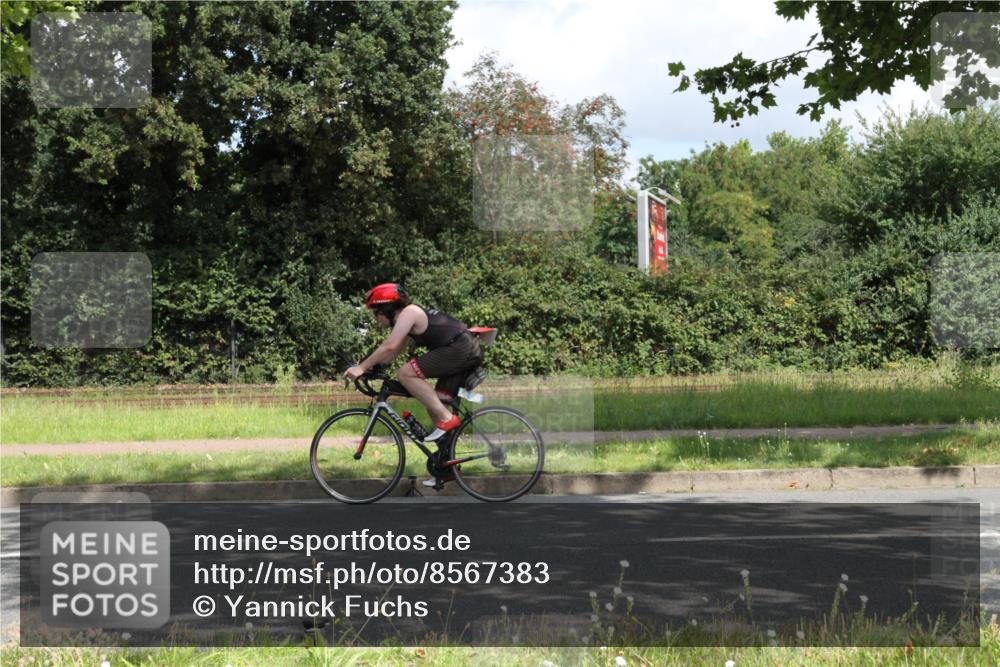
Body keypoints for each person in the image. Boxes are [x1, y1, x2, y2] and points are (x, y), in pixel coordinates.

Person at [343, 283, 484, 445]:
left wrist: (361, 367)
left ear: (386, 309)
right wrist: (376, 368)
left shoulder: (409, 313)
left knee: (405, 373)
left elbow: (390, 345)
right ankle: (445, 460)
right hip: (460, 347)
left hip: (460, 347)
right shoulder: (404, 318)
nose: (376, 319)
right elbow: (398, 350)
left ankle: (447, 418)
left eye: (376, 313)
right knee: (435, 404)